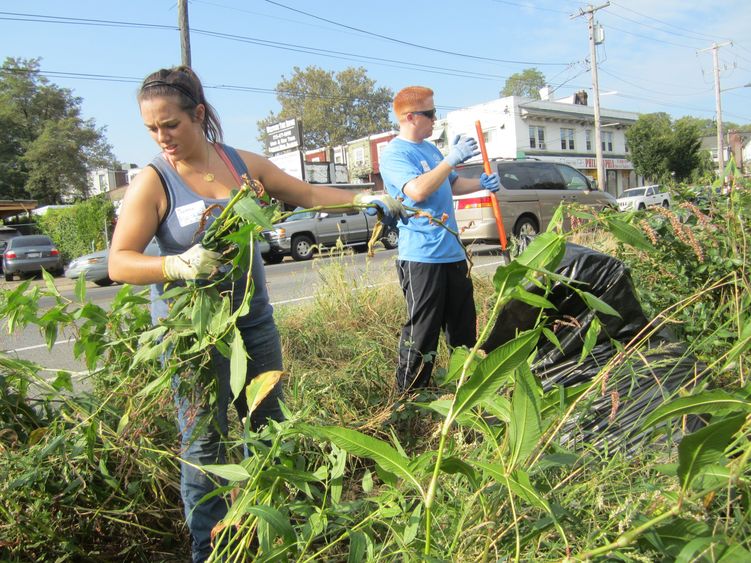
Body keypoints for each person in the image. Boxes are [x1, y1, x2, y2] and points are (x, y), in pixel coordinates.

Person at [108, 65, 405, 562]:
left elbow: (305, 193)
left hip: (254, 323)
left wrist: (361, 196)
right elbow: (119, 262)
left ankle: (264, 534)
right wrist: (175, 264)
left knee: (268, 428)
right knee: (204, 447)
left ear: (198, 115)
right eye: (152, 129)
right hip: (194, 338)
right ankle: (209, 551)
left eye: (171, 125)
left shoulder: (241, 165)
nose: (162, 138)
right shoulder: (153, 181)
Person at [379, 85, 500, 393]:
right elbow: (417, 191)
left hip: (452, 253)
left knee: (463, 329)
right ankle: (409, 399)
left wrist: (481, 183)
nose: (435, 119)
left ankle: (466, 389)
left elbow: (453, 184)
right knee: (422, 333)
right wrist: (451, 159)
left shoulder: (431, 150)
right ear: (409, 117)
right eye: (430, 114)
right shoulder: (395, 153)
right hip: (421, 257)